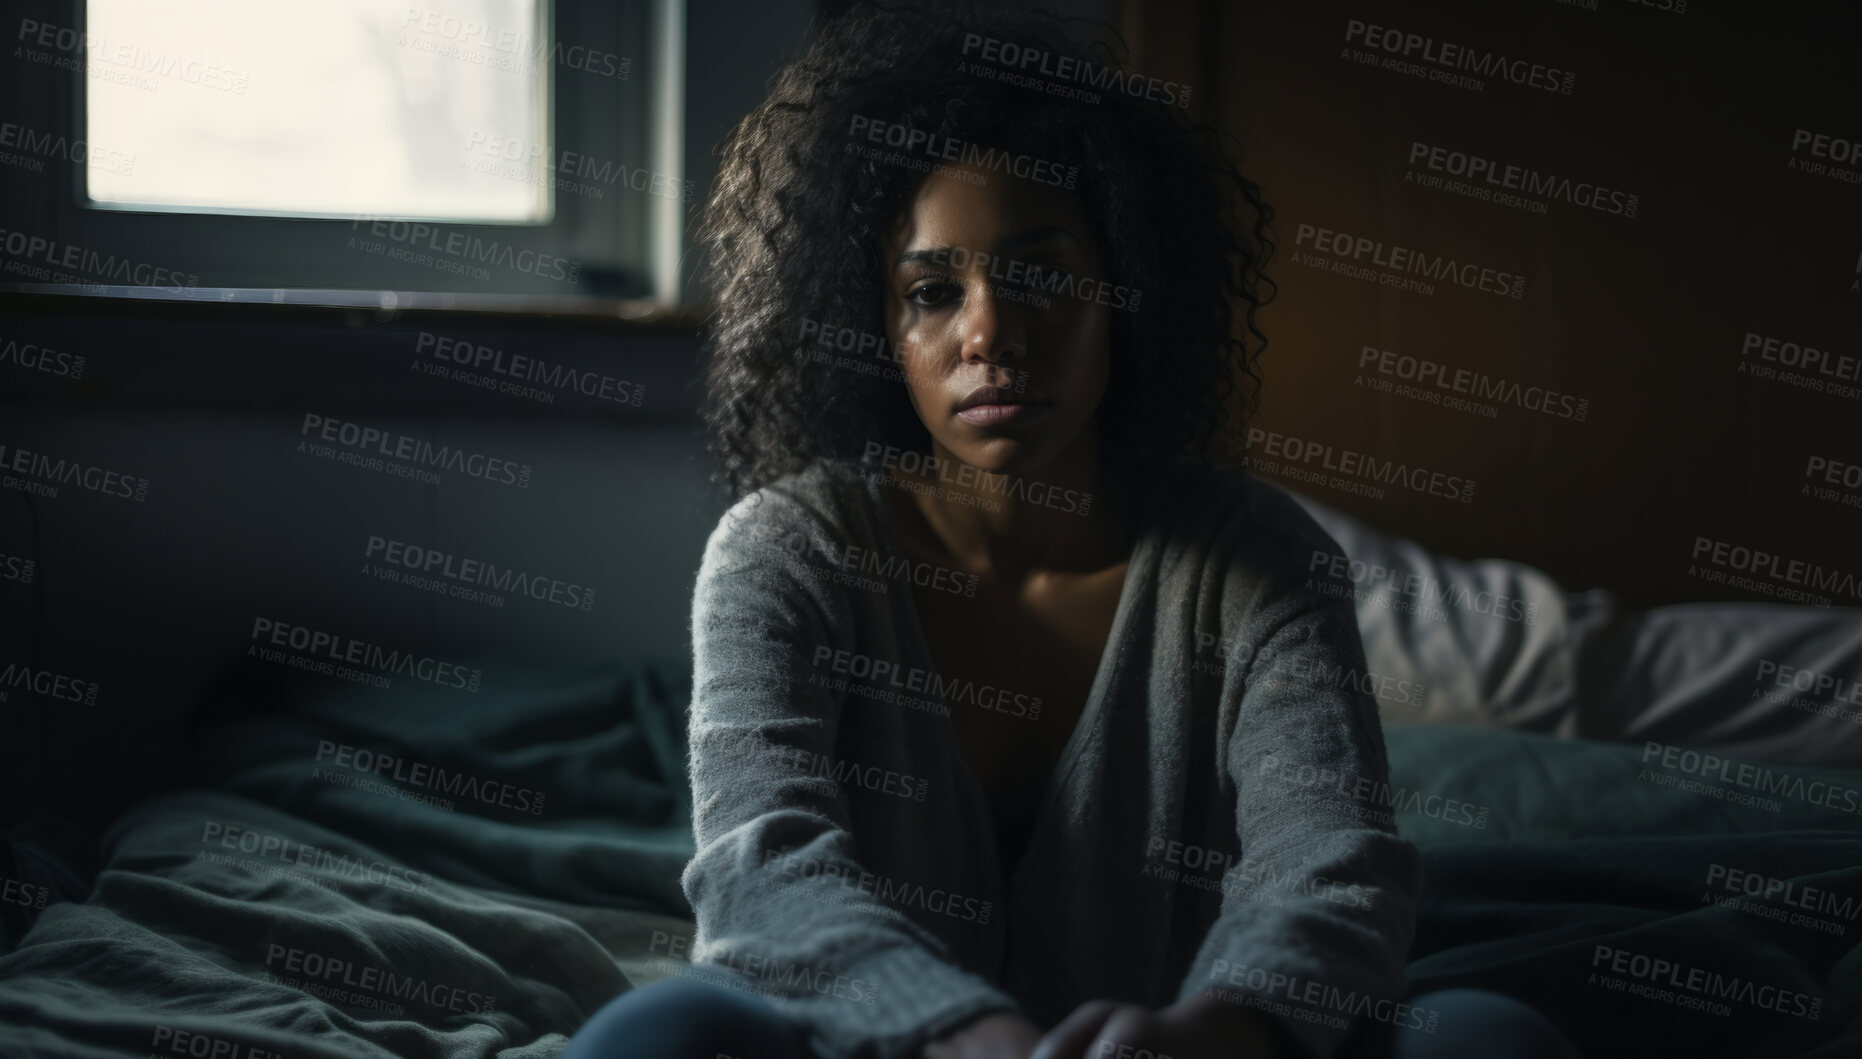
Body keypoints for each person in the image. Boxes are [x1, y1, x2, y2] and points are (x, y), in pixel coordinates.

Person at [566, 3, 1580, 1057]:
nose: (988, 334)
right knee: (667, 1030)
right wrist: (964, 1033)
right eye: (928, 292)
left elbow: (1329, 863)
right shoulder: (783, 553)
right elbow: (760, 878)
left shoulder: (1256, 560)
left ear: (1124, 294)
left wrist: (1216, 1032)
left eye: (1039, 276)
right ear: (876, 329)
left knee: (1482, 1035)